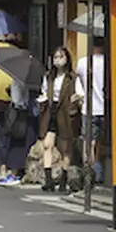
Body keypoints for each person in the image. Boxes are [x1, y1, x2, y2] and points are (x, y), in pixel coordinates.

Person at [38, 46, 79, 192]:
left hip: (66, 110)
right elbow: (44, 91)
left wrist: (76, 98)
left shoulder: (72, 77)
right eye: (55, 57)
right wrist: (42, 100)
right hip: (51, 110)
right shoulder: (49, 76)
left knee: (65, 148)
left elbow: (80, 92)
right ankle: (48, 180)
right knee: (47, 144)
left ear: (67, 59)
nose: (58, 60)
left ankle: (63, 179)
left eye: (61, 57)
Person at [75, 38, 107, 183]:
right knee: (100, 143)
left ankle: (91, 173)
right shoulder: (110, 61)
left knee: (89, 143)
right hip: (106, 108)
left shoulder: (83, 62)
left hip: (89, 108)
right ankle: (97, 172)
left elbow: (81, 82)